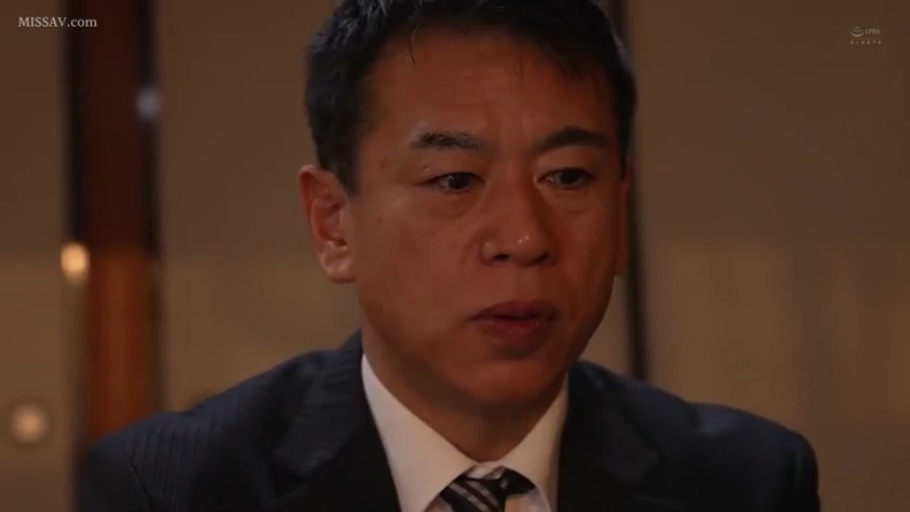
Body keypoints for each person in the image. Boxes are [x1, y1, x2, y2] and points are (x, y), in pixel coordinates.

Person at [80, 1, 821, 511]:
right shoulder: (170, 489)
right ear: (334, 225)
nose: (525, 238)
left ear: (620, 209)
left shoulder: (746, 484)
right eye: (455, 181)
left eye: (568, 178)